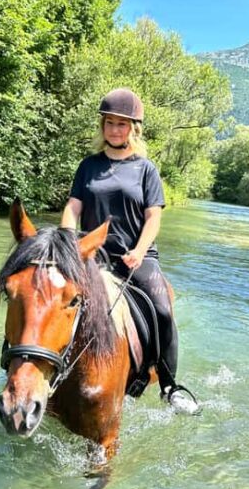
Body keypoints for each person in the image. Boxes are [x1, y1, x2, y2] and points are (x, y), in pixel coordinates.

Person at [60, 88, 199, 414]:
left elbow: (153, 217)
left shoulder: (146, 169)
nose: (114, 130)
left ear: (133, 129)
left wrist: (138, 250)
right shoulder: (88, 166)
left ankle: (169, 386)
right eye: (109, 123)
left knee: (163, 309)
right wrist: (69, 242)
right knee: (52, 298)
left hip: (136, 258)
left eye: (122, 124)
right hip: (93, 256)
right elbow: (72, 208)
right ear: (102, 127)